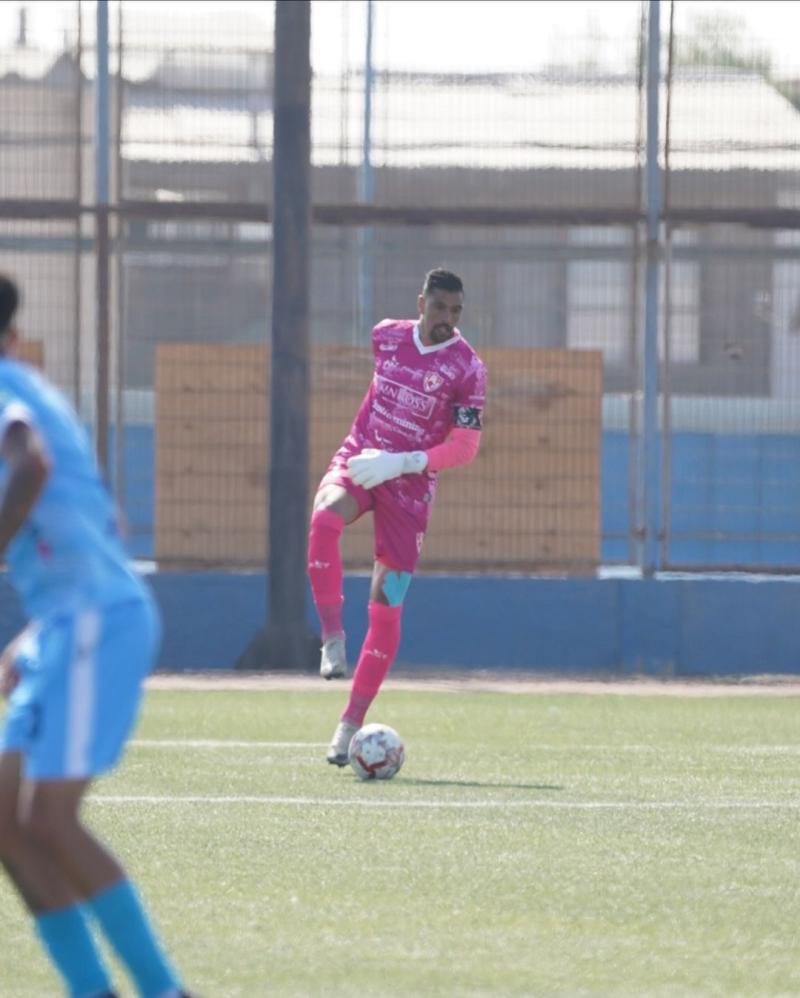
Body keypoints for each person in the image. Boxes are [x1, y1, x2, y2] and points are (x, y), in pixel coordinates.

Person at [0, 275, 195, 998]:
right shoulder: (33, 385)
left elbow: (31, 464)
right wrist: (35, 633)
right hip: (69, 619)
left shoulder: (8, 395)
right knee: (8, 817)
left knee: (48, 819)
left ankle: (164, 990)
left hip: (95, 618)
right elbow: (100, 519)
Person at [308, 267, 487, 765]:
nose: (447, 319)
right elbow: (376, 395)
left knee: (386, 606)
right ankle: (331, 637)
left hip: (409, 489)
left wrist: (404, 461)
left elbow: (465, 447)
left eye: (456, 311)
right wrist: (372, 451)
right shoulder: (385, 337)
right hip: (362, 460)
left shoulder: (468, 369)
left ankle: (349, 724)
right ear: (421, 303)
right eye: (440, 308)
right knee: (323, 521)